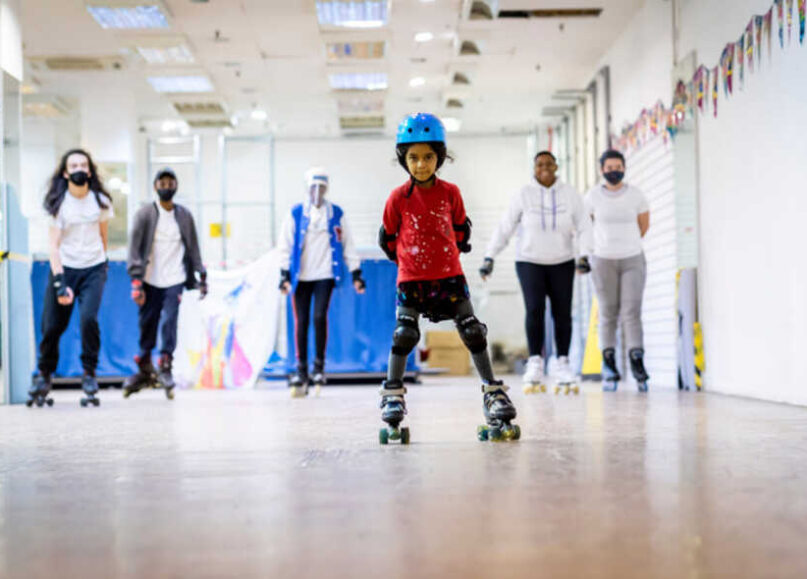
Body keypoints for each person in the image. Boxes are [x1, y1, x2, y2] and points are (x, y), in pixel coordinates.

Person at [377, 113, 519, 444]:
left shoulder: (450, 192)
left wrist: (450, 251)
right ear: (404, 158)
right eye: (413, 157)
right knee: (404, 334)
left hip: (449, 277)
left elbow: (460, 231)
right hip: (411, 279)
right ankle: (393, 394)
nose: (421, 164)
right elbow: (388, 238)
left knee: (472, 329)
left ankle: (492, 391)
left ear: (439, 157)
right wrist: (406, 261)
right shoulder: (398, 197)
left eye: (428, 156)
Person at [480, 151, 592, 393]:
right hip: (529, 261)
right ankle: (535, 363)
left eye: (549, 164)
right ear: (534, 168)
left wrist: (584, 254)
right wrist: (490, 256)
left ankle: (562, 362)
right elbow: (505, 227)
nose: (545, 168)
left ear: (556, 166)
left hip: (562, 260)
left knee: (563, 313)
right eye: (540, 164)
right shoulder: (524, 194)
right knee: (535, 310)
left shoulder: (570, 194)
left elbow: (584, 226)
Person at [28, 149, 113, 408]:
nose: (78, 168)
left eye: (83, 164)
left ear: (89, 171)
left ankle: (89, 374)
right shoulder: (59, 204)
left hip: (93, 268)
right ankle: (44, 375)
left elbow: (103, 236)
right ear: (65, 173)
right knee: (52, 326)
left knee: (88, 319)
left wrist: (102, 266)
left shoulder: (100, 201)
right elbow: (53, 246)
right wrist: (60, 282)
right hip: (64, 268)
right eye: (73, 165)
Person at [278, 167, 366, 397]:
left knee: (319, 317)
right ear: (307, 188)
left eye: (321, 187)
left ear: (327, 188)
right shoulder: (296, 213)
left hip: (326, 274)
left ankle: (318, 367)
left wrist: (356, 273)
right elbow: (285, 245)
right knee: (302, 321)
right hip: (301, 276)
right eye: (313, 187)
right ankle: (301, 370)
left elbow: (348, 244)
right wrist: (284, 275)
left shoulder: (336, 213)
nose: (317, 192)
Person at [123, 168, 208, 400]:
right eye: (162, 183)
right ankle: (144, 364)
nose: (167, 187)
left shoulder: (184, 216)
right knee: (147, 322)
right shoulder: (145, 215)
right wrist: (136, 281)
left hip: (175, 279)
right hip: (150, 279)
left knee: (170, 321)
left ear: (176, 186)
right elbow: (134, 249)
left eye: (171, 183)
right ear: (155, 187)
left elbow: (193, 247)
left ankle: (166, 364)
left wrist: (201, 274)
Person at [584, 149, 651, 391]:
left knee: (632, 311)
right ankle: (610, 364)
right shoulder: (592, 197)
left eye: (618, 167)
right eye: (609, 168)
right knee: (608, 312)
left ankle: (637, 362)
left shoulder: (636, 195)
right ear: (602, 170)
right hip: (602, 260)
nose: (614, 171)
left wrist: (626, 243)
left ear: (624, 167)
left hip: (632, 258)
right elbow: (585, 226)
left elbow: (643, 225)